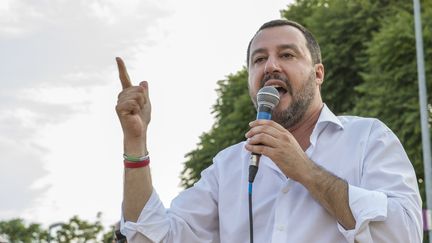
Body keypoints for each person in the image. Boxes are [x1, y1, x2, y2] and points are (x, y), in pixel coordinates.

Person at [115, 19, 423, 242]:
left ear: (318, 74)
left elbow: (404, 234)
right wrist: (135, 141)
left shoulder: (369, 138)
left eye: (287, 55)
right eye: (259, 59)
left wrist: (305, 170)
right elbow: (154, 236)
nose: (270, 66)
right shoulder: (228, 166)